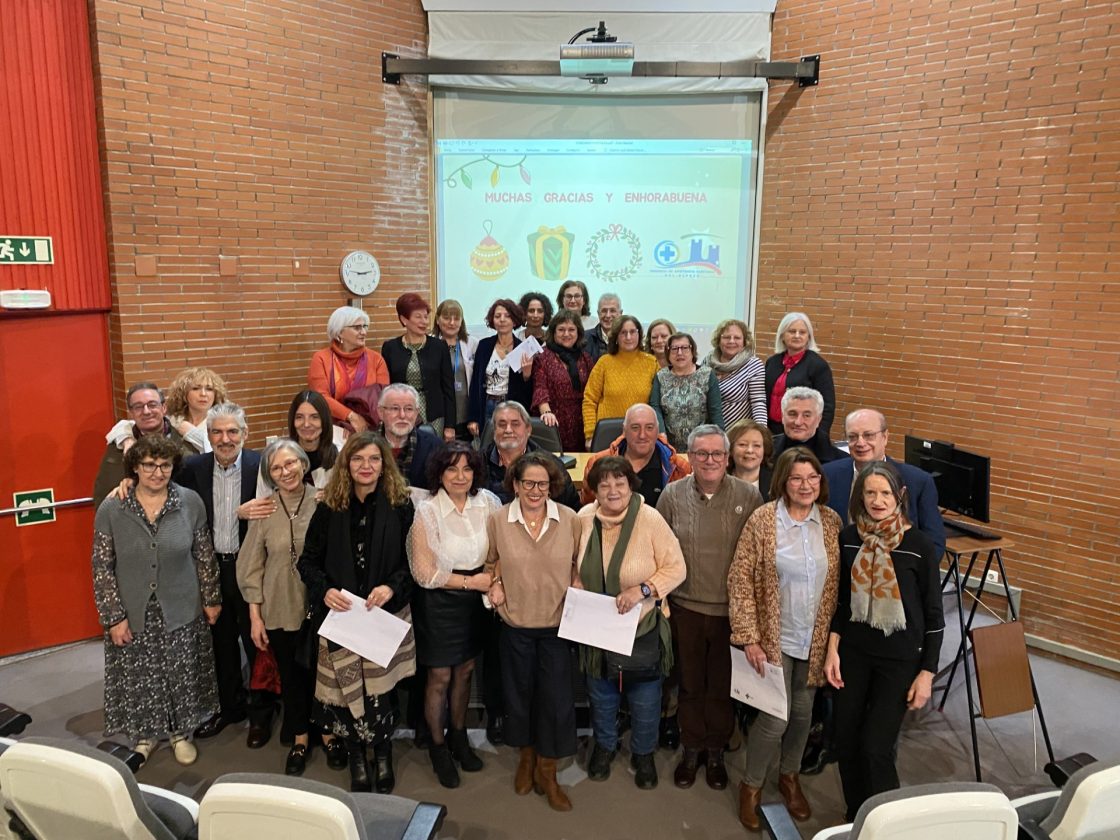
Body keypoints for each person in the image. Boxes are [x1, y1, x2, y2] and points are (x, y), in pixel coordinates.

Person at [728, 447, 841, 831]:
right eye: (797, 478)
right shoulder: (763, 520)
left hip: (815, 639)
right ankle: (752, 785)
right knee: (775, 719)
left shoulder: (830, 521)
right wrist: (749, 637)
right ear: (783, 482)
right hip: (773, 637)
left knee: (804, 714)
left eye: (813, 478)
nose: (805, 485)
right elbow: (740, 579)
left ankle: (789, 776)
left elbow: (838, 585)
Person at [297, 431, 416, 794]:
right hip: (343, 618)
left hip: (383, 614)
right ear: (346, 464)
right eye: (358, 459)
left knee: (380, 694)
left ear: (385, 465)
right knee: (349, 695)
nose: (366, 466)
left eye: (374, 459)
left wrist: (392, 587)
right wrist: (326, 590)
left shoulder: (401, 505)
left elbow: (413, 564)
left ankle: (382, 755)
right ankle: (356, 757)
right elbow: (307, 563)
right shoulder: (329, 507)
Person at [91, 434, 220, 766]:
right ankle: (145, 735)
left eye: (164, 465)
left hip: (181, 604)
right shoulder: (113, 507)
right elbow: (101, 566)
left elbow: (204, 556)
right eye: (149, 465)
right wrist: (113, 617)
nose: (157, 472)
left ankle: (179, 733)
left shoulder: (190, 502)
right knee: (139, 674)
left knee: (180, 672)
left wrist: (211, 598)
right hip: (133, 609)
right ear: (135, 467)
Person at [826, 461, 944, 820]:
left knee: (876, 747)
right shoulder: (849, 538)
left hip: (899, 660)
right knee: (845, 740)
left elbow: (934, 617)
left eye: (885, 493)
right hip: (854, 654)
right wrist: (832, 649)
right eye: (870, 493)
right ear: (860, 496)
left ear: (901, 496)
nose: (878, 501)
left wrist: (927, 673)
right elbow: (842, 600)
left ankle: (885, 822)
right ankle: (855, 816)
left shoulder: (919, 546)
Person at [656, 426, 762, 790]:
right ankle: (691, 747)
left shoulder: (749, 496)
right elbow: (660, 549)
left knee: (721, 686)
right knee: (689, 684)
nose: (710, 460)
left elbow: (758, 556)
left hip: (730, 612)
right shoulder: (671, 495)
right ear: (690, 456)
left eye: (717, 453)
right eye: (701, 453)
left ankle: (715, 750)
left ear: (728, 457)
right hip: (685, 607)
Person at [236, 439, 344, 776]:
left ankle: (327, 733)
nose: (286, 472)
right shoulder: (264, 510)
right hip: (279, 606)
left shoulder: (326, 501)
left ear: (303, 464)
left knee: (326, 675)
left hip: (320, 607)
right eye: (277, 468)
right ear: (270, 475)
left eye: (291, 464)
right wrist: (255, 617)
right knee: (292, 676)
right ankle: (299, 738)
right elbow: (250, 567)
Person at [578, 456, 686, 790]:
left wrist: (642, 589)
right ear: (593, 489)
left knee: (645, 699)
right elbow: (572, 563)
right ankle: (606, 745)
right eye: (604, 484)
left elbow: (676, 568)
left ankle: (643, 753)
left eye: (619, 483)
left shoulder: (650, 519)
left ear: (630, 485)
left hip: (641, 627)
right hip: (596, 627)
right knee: (602, 694)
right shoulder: (583, 518)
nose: (612, 490)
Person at [484, 452, 583, 811]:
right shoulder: (498, 520)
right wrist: (494, 582)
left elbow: (578, 563)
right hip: (515, 627)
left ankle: (548, 771)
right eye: (528, 483)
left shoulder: (570, 520)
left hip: (557, 627)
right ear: (515, 484)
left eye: (543, 483)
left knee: (556, 704)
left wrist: (577, 579)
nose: (536, 490)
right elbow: (490, 561)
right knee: (519, 699)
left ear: (552, 486)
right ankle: (526, 759)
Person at [178, 403, 277, 748]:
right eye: (217, 432)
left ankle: (261, 713)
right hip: (210, 569)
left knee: (258, 642)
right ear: (208, 436)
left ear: (245, 434)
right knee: (220, 643)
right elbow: (159, 487)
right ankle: (229, 708)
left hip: (251, 568)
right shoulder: (192, 468)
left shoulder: (260, 465)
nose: (225, 438)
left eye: (232, 431)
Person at [408, 442, 501, 788]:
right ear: (439, 474)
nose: (460, 476)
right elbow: (424, 572)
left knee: (465, 671)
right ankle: (437, 746)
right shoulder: (427, 511)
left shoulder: (489, 503)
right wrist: (472, 582)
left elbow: (501, 549)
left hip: (477, 600)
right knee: (440, 677)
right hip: (440, 602)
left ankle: (459, 737)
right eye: (451, 469)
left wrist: (492, 580)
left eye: (466, 469)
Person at [822, 409, 945, 557]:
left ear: (885, 437)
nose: (860, 443)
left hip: (897, 573)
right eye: (853, 437)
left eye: (868, 435)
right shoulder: (827, 474)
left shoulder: (917, 481)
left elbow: (934, 542)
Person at [93, 382, 193, 505]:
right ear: (131, 412)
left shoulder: (187, 446)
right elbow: (103, 493)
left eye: (152, 405)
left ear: (164, 408)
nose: (146, 411)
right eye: (138, 407)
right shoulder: (117, 447)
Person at [580, 403, 690, 507]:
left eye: (649, 427)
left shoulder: (679, 468)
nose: (642, 435)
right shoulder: (597, 464)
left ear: (657, 431)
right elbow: (589, 511)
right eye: (635, 428)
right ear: (624, 430)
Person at [381, 293, 456, 440]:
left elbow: (448, 388)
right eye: (418, 317)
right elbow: (386, 388)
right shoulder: (390, 348)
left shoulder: (439, 346)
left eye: (426, 317)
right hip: (401, 415)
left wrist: (450, 426)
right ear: (404, 319)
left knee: (434, 456)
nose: (424, 322)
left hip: (434, 414)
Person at [482, 401, 581, 510]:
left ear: (528, 430)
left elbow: (572, 510)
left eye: (515, 424)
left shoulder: (551, 465)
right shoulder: (477, 464)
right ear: (494, 430)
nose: (508, 430)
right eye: (502, 424)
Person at [106, 367, 228, 456]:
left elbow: (223, 453)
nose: (203, 394)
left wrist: (191, 433)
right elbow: (122, 426)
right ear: (184, 394)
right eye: (196, 388)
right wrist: (127, 439)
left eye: (209, 389)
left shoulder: (224, 421)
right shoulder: (174, 420)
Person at [307, 306, 390, 431]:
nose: (364, 332)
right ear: (340, 332)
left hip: (369, 428)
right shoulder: (321, 358)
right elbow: (321, 397)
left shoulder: (376, 359)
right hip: (331, 429)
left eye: (364, 326)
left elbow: (383, 397)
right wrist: (351, 416)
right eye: (357, 328)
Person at [582, 316, 659, 448]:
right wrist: (590, 434)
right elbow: (589, 400)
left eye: (632, 332)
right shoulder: (604, 362)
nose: (628, 337)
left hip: (641, 436)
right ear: (616, 337)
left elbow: (657, 404)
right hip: (606, 435)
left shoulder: (652, 363)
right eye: (623, 333)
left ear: (639, 334)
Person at [468, 299, 534, 437]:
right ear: (492, 321)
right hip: (487, 404)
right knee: (486, 449)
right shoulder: (484, 345)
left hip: (511, 406)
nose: (502, 320)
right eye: (497, 316)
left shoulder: (523, 348)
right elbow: (475, 383)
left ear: (515, 321)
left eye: (507, 316)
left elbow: (528, 392)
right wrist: (473, 418)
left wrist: (527, 376)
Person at [650, 332, 725, 451]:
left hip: (702, 446)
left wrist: (720, 442)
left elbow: (715, 411)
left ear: (692, 351)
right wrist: (661, 435)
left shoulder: (707, 375)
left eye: (684, 348)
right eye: (674, 348)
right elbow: (655, 407)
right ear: (668, 353)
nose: (679, 353)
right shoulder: (661, 377)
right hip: (669, 447)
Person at [765, 311, 835, 436]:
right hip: (771, 431)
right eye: (792, 331)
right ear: (782, 335)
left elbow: (828, 407)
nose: (797, 336)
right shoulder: (772, 362)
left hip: (801, 431)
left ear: (809, 337)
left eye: (802, 332)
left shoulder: (818, 365)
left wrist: (819, 436)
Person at [531, 310, 594, 452]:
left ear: (578, 333)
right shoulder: (543, 357)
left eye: (571, 329)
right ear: (553, 332)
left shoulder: (585, 358)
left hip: (581, 424)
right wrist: (546, 413)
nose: (566, 334)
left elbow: (593, 391)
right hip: (553, 422)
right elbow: (540, 387)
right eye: (561, 330)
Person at [376, 383, 443, 489]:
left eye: (409, 409)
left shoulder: (435, 447)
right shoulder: (364, 445)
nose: (402, 415)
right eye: (395, 408)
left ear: (416, 413)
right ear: (380, 412)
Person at [705, 318, 767, 427]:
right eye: (727, 337)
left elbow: (758, 403)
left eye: (737, 338)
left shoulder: (753, 364)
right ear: (718, 340)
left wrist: (760, 432)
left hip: (738, 434)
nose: (731, 341)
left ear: (744, 342)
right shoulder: (707, 362)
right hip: (710, 433)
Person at [433, 298, 478, 442]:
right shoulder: (430, 344)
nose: (452, 323)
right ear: (438, 320)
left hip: (466, 412)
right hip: (441, 413)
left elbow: (478, 381)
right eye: (446, 318)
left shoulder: (472, 343)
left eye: (456, 318)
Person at [772, 386, 846, 465]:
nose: (798, 422)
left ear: (818, 419)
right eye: (792, 414)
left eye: (807, 415)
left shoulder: (840, 462)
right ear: (783, 416)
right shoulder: (765, 451)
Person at [287, 390, 338, 490]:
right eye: (299, 417)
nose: (306, 424)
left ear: (324, 421)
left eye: (314, 417)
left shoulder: (338, 459)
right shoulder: (278, 458)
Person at [728, 418, 775, 501]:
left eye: (756, 445)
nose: (750, 450)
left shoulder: (777, 480)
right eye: (742, 444)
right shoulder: (718, 480)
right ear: (730, 449)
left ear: (765, 450)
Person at [584, 292, 621, 361]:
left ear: (620, 313)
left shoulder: (627, 339)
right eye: (604, 311)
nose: (608, 315)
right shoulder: (585, 339)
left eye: (612, 311)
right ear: (598, 313)